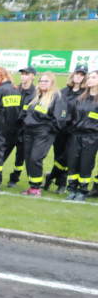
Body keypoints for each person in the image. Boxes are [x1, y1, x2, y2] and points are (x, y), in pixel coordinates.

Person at [19, 72, 68, 197]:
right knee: (29, 159)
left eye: (46, 81)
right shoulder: (35, 95)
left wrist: (48, 129)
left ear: (52, 83)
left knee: (36, 158)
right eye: (41, 81)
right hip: (29, 132)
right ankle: (33, 186)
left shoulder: (57, 97)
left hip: (43, 133)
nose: (42, 83)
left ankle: (36, 189)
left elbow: (60, 118)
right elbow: (26, 111)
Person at [45, 63, 87, 193]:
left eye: (82, 75)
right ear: (73, 74)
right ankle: (58, 181)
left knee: (67, 157)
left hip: (74, 130)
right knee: (58, 156)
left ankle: (55, 179)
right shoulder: (63, 91)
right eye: (77, 73)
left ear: (84, 78)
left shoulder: (85, 94)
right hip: (60, 129)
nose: (78, 76)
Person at [64, 70, 98, 201]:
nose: (89, 80)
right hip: (76, 135)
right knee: (73, 163)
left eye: (93, 77)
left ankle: (82, 191)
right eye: (89, 77)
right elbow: (71, 116)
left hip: (92, 137)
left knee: (86, 164)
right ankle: (72, 189)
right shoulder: (81, 98)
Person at [6, 65, 37, 188]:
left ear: (33, 76)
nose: (23, 76)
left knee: (20, 157)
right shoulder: (15, 89)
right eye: (22, 73)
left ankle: (14, 178)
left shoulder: (36, 93)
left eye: (26, 74)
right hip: (11, 128)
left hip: (26, 130)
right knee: (2, 153)